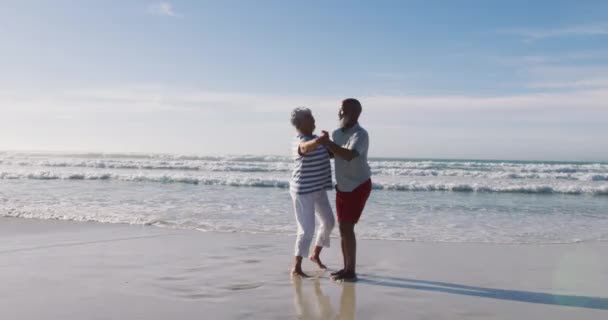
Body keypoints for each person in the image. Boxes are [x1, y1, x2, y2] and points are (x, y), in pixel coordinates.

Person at [317, 98, 372, 281]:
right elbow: (335, 154)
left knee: (347, 227)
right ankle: (346, 268)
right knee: (343, 228)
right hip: (343, 187)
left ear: (353, 113)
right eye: (339, 110)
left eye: (342, 110)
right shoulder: (337, 133)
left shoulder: (361, 135)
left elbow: (348, 155)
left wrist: (328, 143)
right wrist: (320, 145)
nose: (339, 113)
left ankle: (351, 271)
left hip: (358, 185)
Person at [289, 107, 336, 277]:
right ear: (301, 123)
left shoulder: (317, 139)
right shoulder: (298, 141)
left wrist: (329, 142)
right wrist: (320, 141)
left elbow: (332, 154)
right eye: (310, 118)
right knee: (306, 229)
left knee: (329, 222)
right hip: (302, 190)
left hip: (318, 187)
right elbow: (305, 148)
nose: (314, 120)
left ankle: (315, 255)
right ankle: (296, 267)